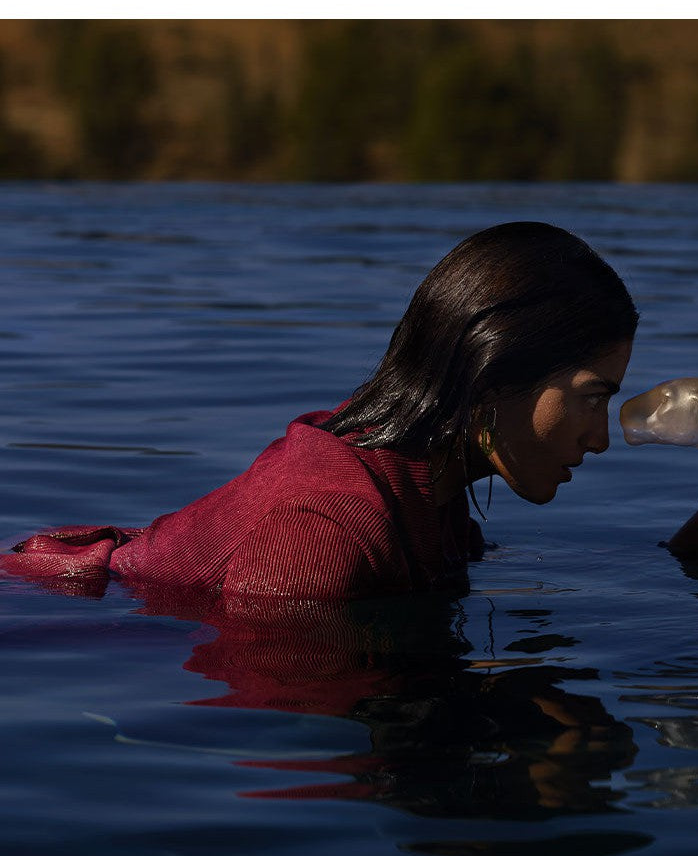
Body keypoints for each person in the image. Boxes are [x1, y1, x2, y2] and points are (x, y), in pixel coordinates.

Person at [2, 222, 638, 602]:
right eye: (590, 398)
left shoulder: (418, 475)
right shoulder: (320, 530)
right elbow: (283, 730)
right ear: (491, 378)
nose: (601, 439)